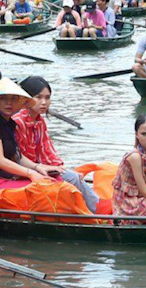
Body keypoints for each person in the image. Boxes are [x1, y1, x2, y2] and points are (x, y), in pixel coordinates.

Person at [11, 77, 98, 211]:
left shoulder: (39, 122)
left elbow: (47, 151)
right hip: (23, 170)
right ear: (26, 98)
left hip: (39, 167)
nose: (44, 102)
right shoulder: (17, 121)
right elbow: (17, 156)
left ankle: (94, 208)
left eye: (47, 98)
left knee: (74, 177)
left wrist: (61, 168)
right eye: (38, 97)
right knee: (73, 178)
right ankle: (95, 211)